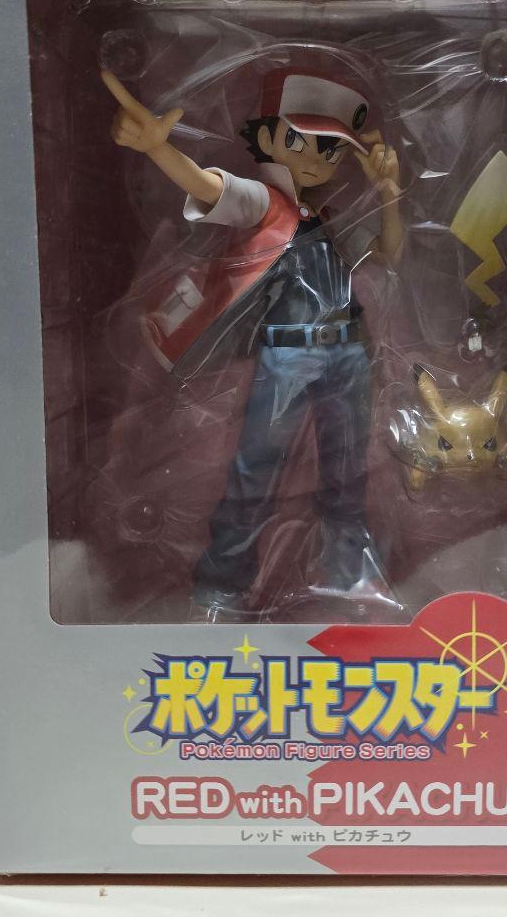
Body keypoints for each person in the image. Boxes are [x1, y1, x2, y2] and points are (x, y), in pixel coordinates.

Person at [103, 66, 403, 621]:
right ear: (267, 136)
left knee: (347, 472)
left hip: (347, 352)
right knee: (255, 472)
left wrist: (388, 194)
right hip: (289, 353)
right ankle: (221, 585)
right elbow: (208, 186)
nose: (317, 159)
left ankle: (349, 574)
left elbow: (389, 253)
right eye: (299, 140)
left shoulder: (329, 216)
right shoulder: (264, 203)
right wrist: (157, 149)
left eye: (331, 150)